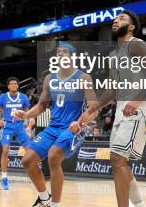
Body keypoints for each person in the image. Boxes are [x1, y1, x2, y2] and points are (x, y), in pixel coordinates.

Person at [76, 10, 146, 207]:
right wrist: (91, 110)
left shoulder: (137, 45)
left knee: (117, 158)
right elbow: (111, 92)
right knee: (117, 162)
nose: (116, 21)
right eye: (115, 18)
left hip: (138, 108)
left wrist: (137, 100)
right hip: (122, 110)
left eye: (122, 18)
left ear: (132, 27)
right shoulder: (114, 55)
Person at [15, 42, 96, 207]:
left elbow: (94, 109)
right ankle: (44, 199)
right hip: (52, 128)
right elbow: (41, 105)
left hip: (73, 129)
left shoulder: (83, 78)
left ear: (72, 57)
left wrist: (80, 122)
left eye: (64, 52)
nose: (60, 55)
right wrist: (26, 114)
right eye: (58, 52)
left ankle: (55, 205)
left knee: (53, 156)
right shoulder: (49, 78)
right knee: (27, 161)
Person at [0, 77, 34, 190]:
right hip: (8, 127)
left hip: (20, 126)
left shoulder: (23, 97)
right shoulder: (3, 97)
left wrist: (29, 127)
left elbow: (29, 114)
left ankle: (33, 174)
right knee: (5, 150)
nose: (14, 85)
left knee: (30, 150)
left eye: (16, 84)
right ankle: (4, 178)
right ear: (8, 86)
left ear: (18, 86)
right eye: (12, 84)